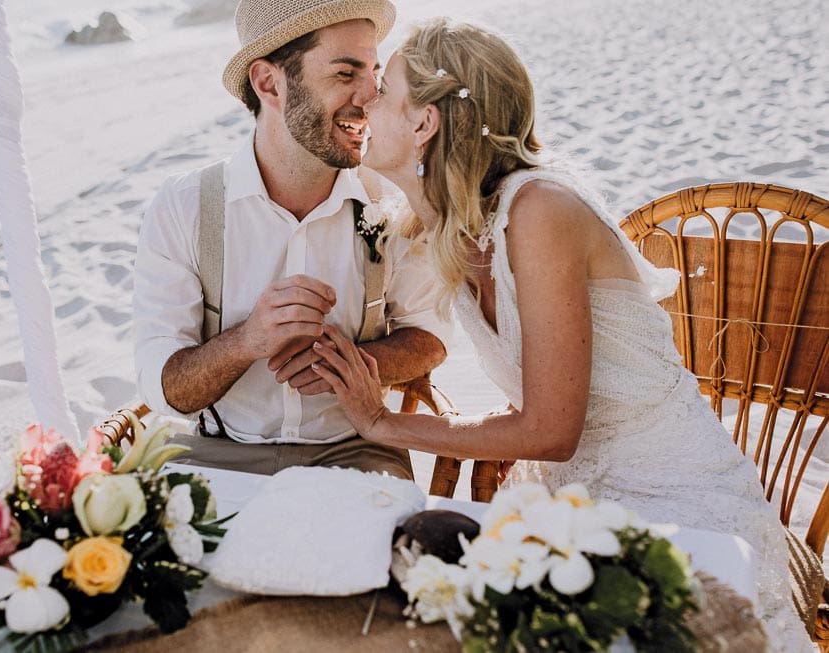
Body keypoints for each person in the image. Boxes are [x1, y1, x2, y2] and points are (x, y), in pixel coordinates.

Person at [311, 17, 809, 648]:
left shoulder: (539, 211)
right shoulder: (447, 221)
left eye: (382, 90)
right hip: (571, 497)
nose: (365, 99)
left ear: (423, 124)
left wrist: (380, 424)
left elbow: (550, 430)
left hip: (679, 499)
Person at [132, 0, 450, 481]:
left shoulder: (393, 199)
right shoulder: (184, 207)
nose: (372, 97)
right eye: (346, 74)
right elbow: (166, 388)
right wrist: (246, 341)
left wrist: (350, 363)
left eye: (374, 73)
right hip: (218, 457)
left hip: (359, 454)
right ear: (269, 84)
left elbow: (430, 338)